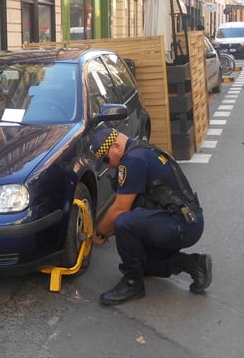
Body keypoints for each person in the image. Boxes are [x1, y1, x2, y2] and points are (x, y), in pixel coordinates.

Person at [90, 128, 212, 306]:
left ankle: (133, 284)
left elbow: (119, 209)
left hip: (181, 224)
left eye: (106, 160)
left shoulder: (133, 160)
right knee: (140, 263)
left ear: (115, 146)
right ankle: (194, 264)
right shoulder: (141, 151)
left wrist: (99, 234)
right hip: (186, 221)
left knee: (123, 223)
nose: (108, 166)